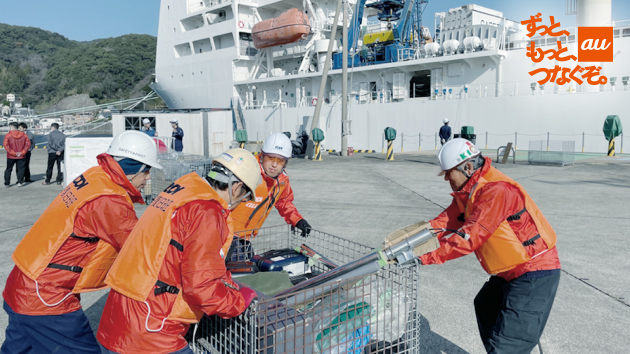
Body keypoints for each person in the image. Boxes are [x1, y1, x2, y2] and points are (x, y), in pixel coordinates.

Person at [1, 131, 163, 354]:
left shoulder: (96, 176)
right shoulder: (109, 200)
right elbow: (140, 247)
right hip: (47, 297)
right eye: (147, 171)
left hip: (23, 283)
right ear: (132, 168)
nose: (148, 178)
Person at [97, 148, 262, 354]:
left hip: (120, 314)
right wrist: (237, 302)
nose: (241, 202)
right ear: (236, 187)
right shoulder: (206, 212)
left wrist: (225, 281)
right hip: (151, 329)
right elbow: (202, 288)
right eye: (245, 196)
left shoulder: (184, 189)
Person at [418, 138, 560, 354]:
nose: (446, 177)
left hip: (534, 272)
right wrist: (413, 238)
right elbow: (447, 221)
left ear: (466, 167)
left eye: (448, 172)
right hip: (510, 271)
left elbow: (470, 237)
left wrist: (423, 257)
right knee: (486, 306)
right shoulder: (471, 190)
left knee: (508, 345)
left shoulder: (496, 191)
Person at [229, 133, 310, 261]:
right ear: (262, 155)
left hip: (246, 236)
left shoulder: (281, 181)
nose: (274, 164)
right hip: (228, 234)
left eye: (280, 160)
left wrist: (297, 220)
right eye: (271, 158)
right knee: (234, 274)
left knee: (250, 268)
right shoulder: (247, 170)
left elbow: (284, 201)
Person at [3, 122, 31, 187]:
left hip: (11, 156)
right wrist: (22, 152)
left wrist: (13, 153)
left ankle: (7, 183)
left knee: (8, 169)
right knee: (21, 169)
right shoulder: (24, 135)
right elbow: (27, 145)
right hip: (21, 155)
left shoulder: (8, 135)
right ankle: (20, 182)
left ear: (12, 127)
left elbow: (6, 145)